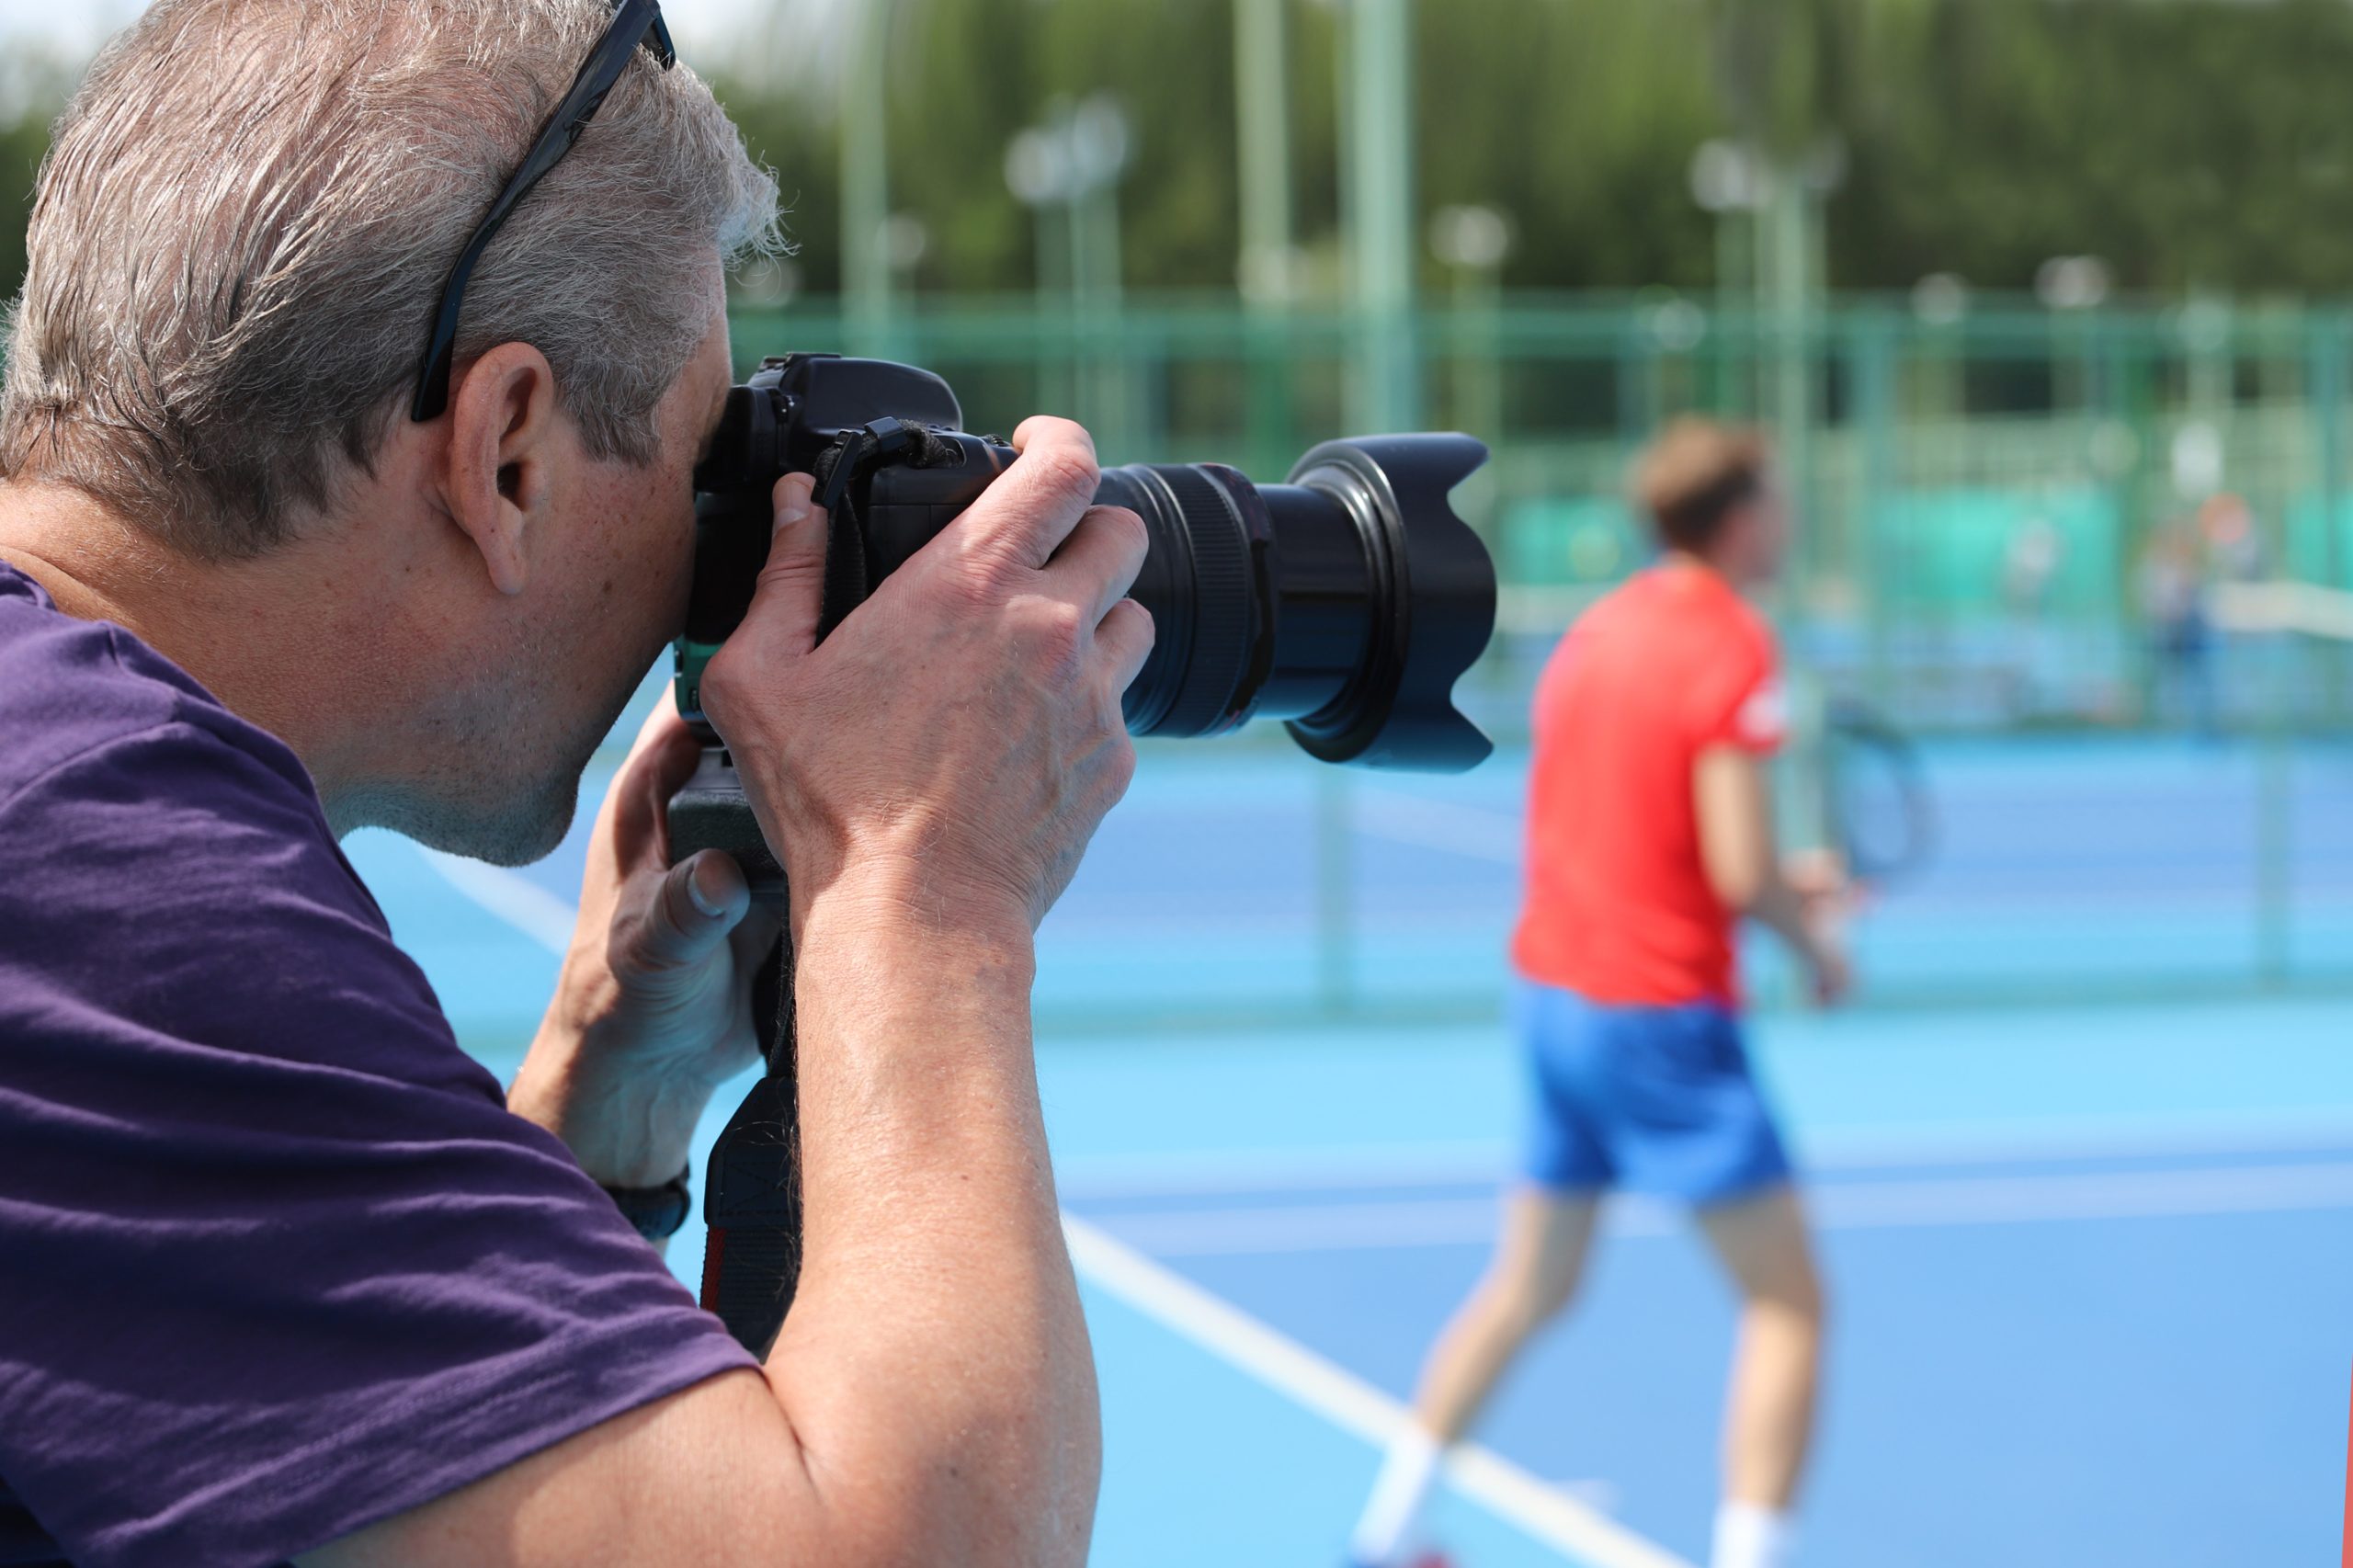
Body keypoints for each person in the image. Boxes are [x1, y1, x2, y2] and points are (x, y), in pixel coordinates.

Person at [0, 3, 1153, 1565]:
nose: (708, 561)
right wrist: (922, 871)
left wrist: (596, 1122)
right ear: (509, 453)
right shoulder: (97, 860)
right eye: (698, 471)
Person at [1346, 419, 1847, 1568]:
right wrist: (1815, 942)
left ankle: (1388, 1533)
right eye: (1777, 499)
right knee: (1789, 1304)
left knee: (1530, 1282)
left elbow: (1653, 826)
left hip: (1555, 998)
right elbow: (1737, 870)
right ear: (1740, 518)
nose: (1788, 517)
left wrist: (1779, 882)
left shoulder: (1601, 628)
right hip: (1656, 1010)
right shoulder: (1730, 642)